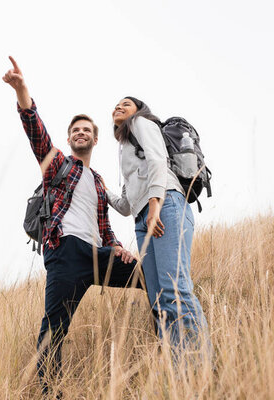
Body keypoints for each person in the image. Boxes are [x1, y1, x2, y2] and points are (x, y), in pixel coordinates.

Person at [2, 57, 142, 394]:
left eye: (87, 131)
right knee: (55, 328)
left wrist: (117, 246)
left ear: (95, 141)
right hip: (64, 252)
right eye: (75, 130)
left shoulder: (96, 180)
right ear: (69, 139)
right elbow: (36, 132)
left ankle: (173, 336)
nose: (81, 133)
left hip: (98, 254)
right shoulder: (58, 166)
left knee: (149, 276)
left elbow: (103, 225)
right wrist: (22, 91)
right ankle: (51, 392)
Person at [106, 96, 211, 354]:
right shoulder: (126, 149)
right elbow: (126, 205)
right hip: (142, 218)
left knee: (175, 289)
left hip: (166, 205)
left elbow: (157, 160)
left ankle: (200, 366)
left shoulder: (141, 122)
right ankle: (179, 373)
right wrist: (102, 188)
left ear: (138, 110)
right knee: (158, 299)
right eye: (116, 104)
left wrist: (155, 203)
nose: (119, 107)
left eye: (126, 104)